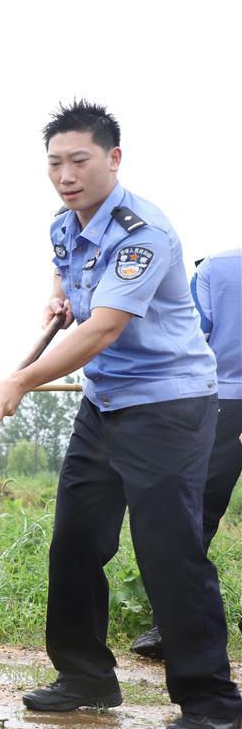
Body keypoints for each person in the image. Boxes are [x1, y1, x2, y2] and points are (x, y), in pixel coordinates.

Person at [0, 101, 240, 729]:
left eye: (79, 161)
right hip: (104, 404)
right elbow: (71, 277)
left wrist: (20, 379)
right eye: (54, 164)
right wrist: (59, 294)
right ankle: (86, 677)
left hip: (168, 406)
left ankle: (215, 701)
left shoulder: (142, 232)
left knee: (168, 548)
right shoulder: (65, 225)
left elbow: (103, 329)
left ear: (113, 158)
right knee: (75, 539)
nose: (65, 176)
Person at [129, 247, 242, 660]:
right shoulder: (217, 268)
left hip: (219, 402)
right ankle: (173, 624)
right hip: (218, 402)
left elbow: (188, 338)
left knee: (193, 515)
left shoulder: (217, 268)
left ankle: (172, 626)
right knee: (192, 515)